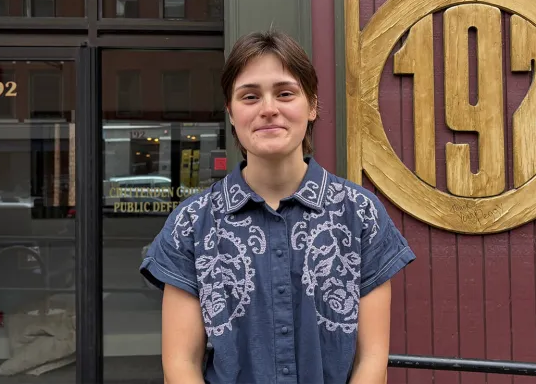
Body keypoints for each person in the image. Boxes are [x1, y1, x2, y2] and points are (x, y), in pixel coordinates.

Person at [139, 29, 415, 384]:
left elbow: (372, 360)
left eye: (285, 93)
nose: (269, 109)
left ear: (312, 105)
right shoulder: (192, 224)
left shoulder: (360, 214)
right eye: (250, 96)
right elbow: (180, 365)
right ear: (231, 112)